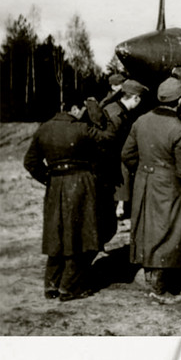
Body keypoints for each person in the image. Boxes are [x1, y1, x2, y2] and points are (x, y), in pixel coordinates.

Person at [23, 95, 115, 301]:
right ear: (74, 108)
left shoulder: (43, 129)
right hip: (80, 185)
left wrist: (49, 178)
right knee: (79, 235)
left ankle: (51, 285)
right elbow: (109, 138)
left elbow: (29, 162)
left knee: (57, 233)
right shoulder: (81, 129)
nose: (83, 112)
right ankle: (70, 288)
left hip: (56, 185)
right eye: (82, 108)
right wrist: (98, 112)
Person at [121, 76, 181, 304]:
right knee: (168, 231)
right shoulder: (178, 129)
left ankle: (151, 277)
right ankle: (160, 289)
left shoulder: (141, 121)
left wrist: (145, 169)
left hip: (144, 181)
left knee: (147, 229)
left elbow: (126, 155)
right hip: (168, 185)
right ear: (179, 101)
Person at [102, 78, 148, 226]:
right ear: (135, 98)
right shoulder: (117, 115)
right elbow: (112, 145)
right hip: (112, 164)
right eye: (139, 99)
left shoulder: (119, 110)